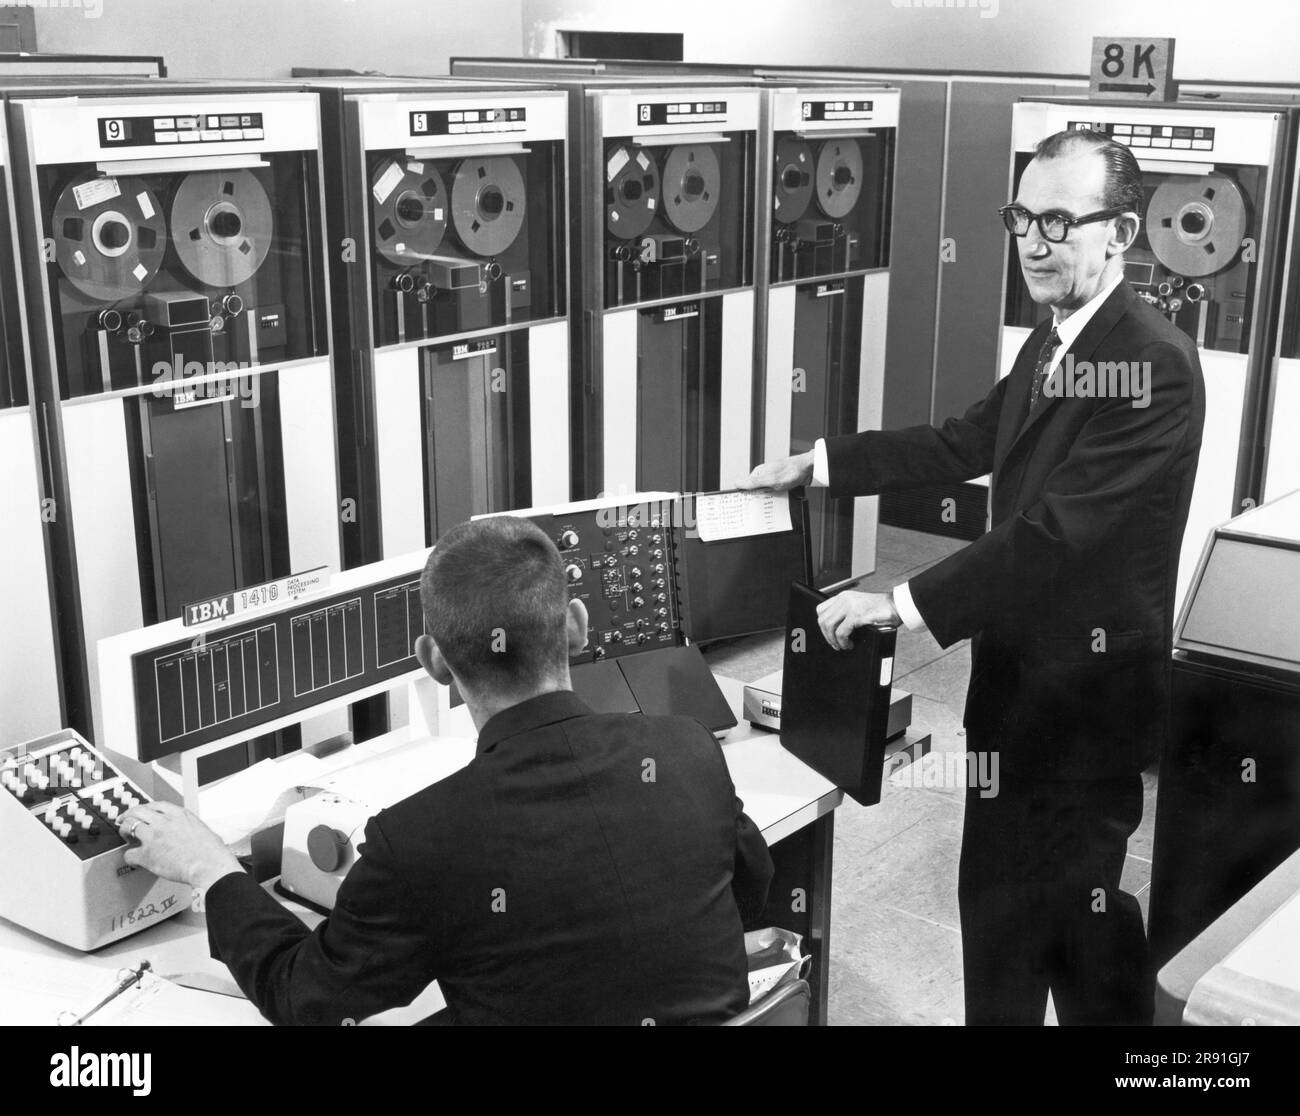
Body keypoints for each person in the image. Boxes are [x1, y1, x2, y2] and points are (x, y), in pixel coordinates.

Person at [740, 128, 1204, 1025]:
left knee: (1076, 926)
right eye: (1022, 216)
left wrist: (904, 602)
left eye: (1060, 220)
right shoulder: (1056, 338)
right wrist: (824, 463)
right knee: (998, 917)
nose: (1034, 239)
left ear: (1122, 231)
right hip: (1014, 694)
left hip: (1085, 709)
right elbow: (964, 439)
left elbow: (1052, 534)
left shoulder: (1150, 365)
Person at [118, 516, 774, 1025]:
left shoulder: (422, 839)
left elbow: (305, 996)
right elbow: (751, 890)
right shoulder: (687, 751)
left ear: (432, 661)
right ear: (574, 626)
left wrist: (211, 870)